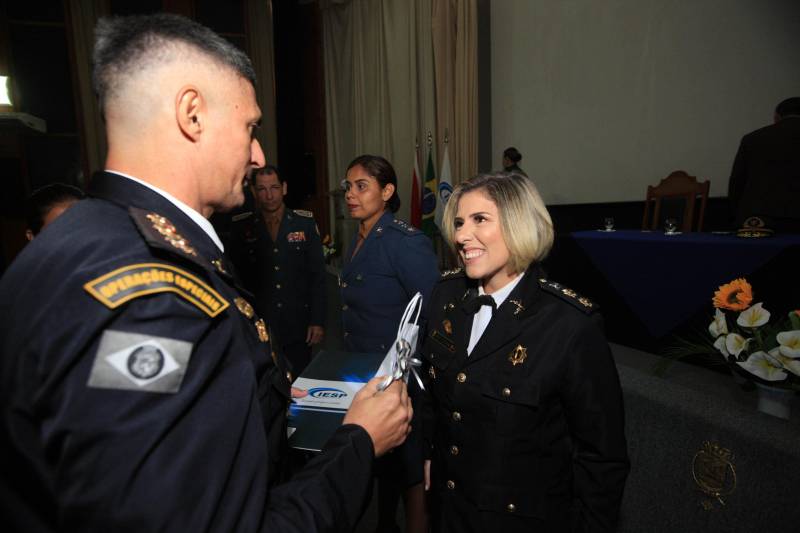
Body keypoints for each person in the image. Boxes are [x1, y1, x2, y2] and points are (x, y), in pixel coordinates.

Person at [0, 14, 412, 533]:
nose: (258, 153)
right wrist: (359, 442)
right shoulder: (154, 295)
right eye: (250, 127)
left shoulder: (76, 240)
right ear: (192, 114)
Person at [421, 172, 629, 532]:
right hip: (449, 511)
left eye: (479, 220)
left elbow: (602, 457)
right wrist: (426, 453)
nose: (460, 236)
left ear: (519, 225)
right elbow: (431, 394)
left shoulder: (569, 324)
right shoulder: (446, 295)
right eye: (458, 222)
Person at [340, 154, 440, 533]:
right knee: (381, 460)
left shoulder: (403, 242)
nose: (351, 194)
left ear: (387, 191)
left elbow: (430, 308)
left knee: (411, 466)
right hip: (366, 373)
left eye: (361, 186)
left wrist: (414, 371)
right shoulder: (360, 238)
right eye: (348, 186)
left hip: (400, 376)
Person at [228, 165, 326, 375]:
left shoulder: (304, 223)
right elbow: (236, 280)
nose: (269, 195)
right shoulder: (242, 226)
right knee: (265, 386)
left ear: (284, 188)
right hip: (260, 326)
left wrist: (317, 321)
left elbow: (317, 276)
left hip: (298, 324)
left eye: (274, 187)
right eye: (262, 189)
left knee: (300, 387)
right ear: (254, 192)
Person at [728, 97, 800, 232]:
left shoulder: (753, 139)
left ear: (777, 117)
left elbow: (737, 181)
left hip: (760, 219)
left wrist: (736, 216)